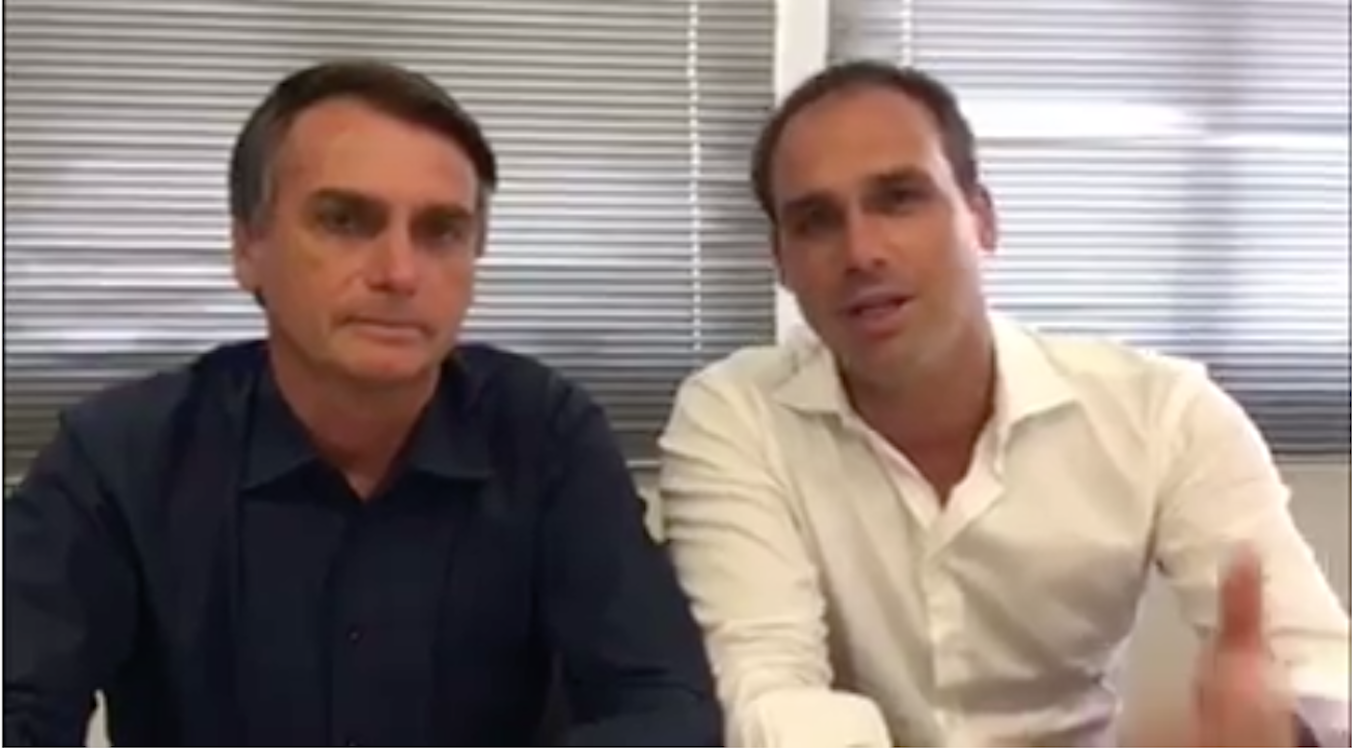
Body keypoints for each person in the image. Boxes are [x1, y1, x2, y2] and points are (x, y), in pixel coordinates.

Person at [3, 59, 722, 747]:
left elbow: (663, 708)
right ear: (248, 247)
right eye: (345, 221)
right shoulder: (121, 459)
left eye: (441, 231)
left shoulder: (546, 437)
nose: (399, 273)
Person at [657, 59, 1350, 747]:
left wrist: (1283, 729)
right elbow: (768, 690)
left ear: (982, 221)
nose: (861, 251)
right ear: (781, 262)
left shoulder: (1163, 413)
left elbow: (1320, 672)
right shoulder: (735, 416)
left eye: (899, 199)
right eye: (816, 221)